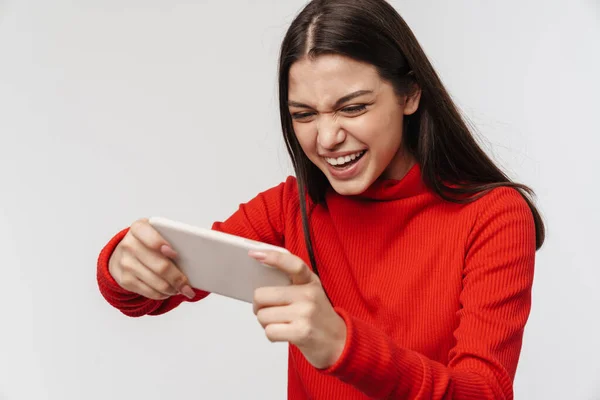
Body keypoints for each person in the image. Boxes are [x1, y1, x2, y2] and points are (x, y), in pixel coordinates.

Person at [96, 0, 545, 398]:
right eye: (304, 114)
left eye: (353, 108)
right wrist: (123, 262)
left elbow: (483, 393)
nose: (327, 138)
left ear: (409, 94)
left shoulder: (494, 216)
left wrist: (342, 346)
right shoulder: (290, 209)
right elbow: (150, 294)